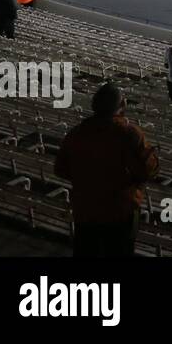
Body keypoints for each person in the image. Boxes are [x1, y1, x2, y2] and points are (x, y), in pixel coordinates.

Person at [54, 83, 159, 257]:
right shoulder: (128, 134)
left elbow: (60, 169)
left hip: (85, 208)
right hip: (120, 209)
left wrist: (87, 180)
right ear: (122, 105)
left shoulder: (77, 132)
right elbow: (149, 170)